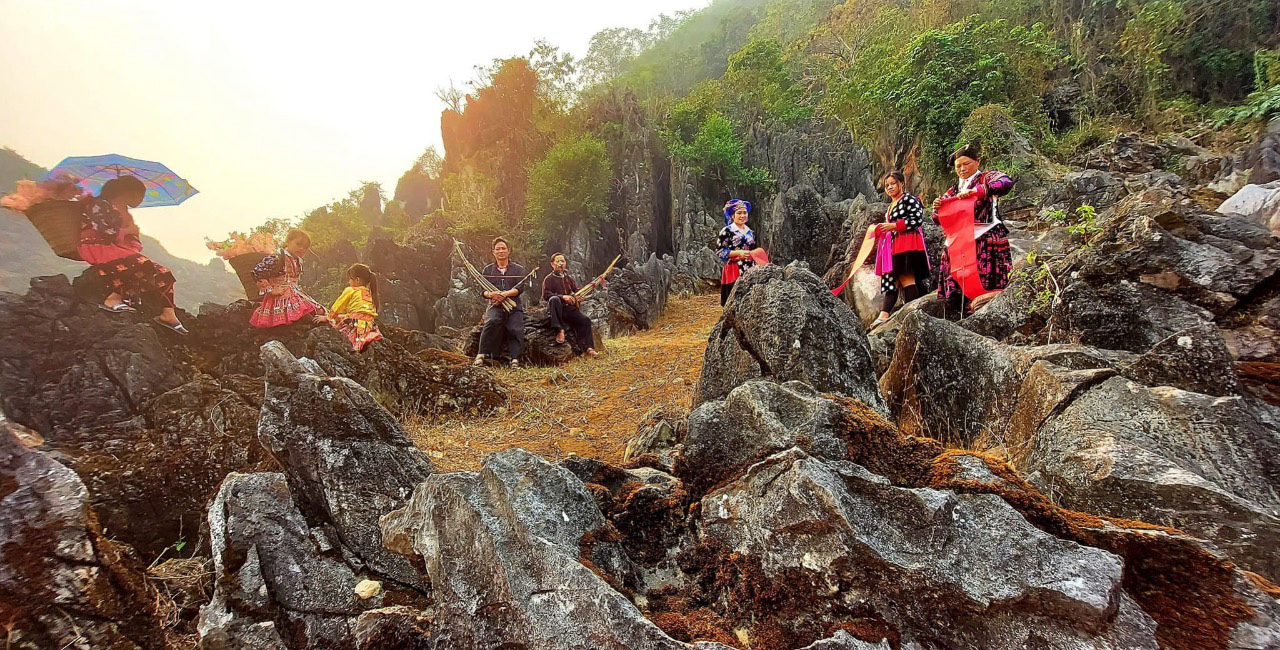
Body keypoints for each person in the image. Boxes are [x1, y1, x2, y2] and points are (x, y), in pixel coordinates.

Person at [77, 176, 187, 334]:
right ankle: (113, 298)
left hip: (119, 248)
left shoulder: (125, 213)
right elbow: (108, 232)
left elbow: (132, 240)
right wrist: (129, 231)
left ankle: (168, 314)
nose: (141, 200)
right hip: (97, 246)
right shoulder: (99, 205)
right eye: (140, 195)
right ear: (128, 192)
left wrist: (133, 234)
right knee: (142, 264)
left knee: (164, 273)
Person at [931, 144, 1015, 314]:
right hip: (958, 244)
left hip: (985, 238)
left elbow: (1006, 183)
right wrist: (937, 208)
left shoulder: (986, 178)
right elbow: (939, 220)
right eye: (958, 166)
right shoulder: (953, 190)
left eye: (966, 164)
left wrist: (978, 191)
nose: (962, 169)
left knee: (987, 283)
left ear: (978, 162)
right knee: (957, 288)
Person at [872, 171, 931, 326]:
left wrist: (894, 226)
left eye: (893, 183)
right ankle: (885, 314)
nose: (890, 187)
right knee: (896, 279)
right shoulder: (891, 205)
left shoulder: (909, 200)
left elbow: (917, 220)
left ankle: (912, 314)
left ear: (901, 183)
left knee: (906, 277)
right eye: (887, 185)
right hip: (894, 244)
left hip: (908, 242)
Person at [249, 229, 323, 328]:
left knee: (317, 312)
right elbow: (257, 272)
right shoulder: (277, 258)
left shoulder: (297, 260)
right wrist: (271, 290)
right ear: (288, 241)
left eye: (304, 247)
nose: (301, 248)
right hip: (280, 296)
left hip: (295, 293)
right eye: (298, 244)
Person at [474, 237, 531, 368]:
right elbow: (483, 291)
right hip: (495, 305)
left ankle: (515, 358)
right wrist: (492, 294)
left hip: (514, 304)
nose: (501, 251)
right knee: (491, 322)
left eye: (503, 248)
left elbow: (520, 288)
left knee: (515, 327)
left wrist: (504, 294)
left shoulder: (518, 269)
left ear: (508, 251)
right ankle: (482, 354)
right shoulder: (488, 270)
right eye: (498, 249)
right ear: (493, 252)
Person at [314, 263, 383, 353]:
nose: (349, 282)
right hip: (369, 325)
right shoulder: (370, 293)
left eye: (350, 279)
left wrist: (327, 317)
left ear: (357, 280)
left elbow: (337, 306)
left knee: (338, 323)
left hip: (355, 323)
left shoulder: (351, 290)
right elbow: (362, 312)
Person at [541, 252, 598, 358]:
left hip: (568, 309)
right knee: (554, 299)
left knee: (585, 320)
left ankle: (589, 348)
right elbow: (546, 294)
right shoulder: (549, 279)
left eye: (562, 261)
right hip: (556, 309)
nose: (560, 263)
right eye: (558, 261)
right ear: (552, 264)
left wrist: (579, 297)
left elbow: (576, 291)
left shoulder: (568, 278)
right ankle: (559, 330)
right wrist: (563, 297)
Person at [717, 198, 758, 306]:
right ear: (732, 215)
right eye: (739, 213)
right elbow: (720, 251)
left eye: (745, 213)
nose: (742, 215)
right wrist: (738, 253)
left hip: (750, 268)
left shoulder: (750, 232)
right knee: (734, 302)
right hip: (734, 268)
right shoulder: (727, 231)